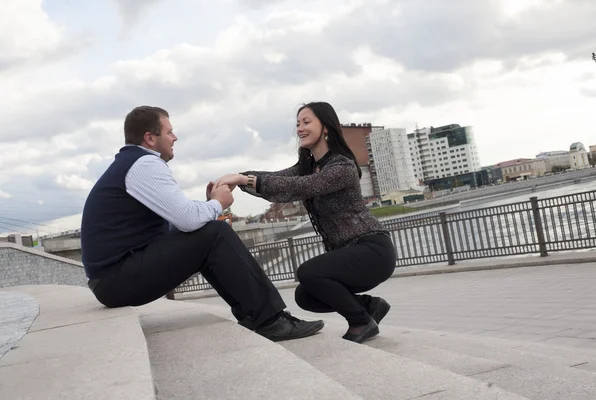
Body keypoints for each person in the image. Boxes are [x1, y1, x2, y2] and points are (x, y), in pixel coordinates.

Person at [80, 105, 324, 342]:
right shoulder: (145, 164)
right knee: (216, 232)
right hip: (116, 280)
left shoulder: (132, 164)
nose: (175, 137)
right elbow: (188, 220)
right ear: (150, 138)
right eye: (169, 132)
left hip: (114, 279)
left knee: (209, 231)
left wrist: (207, 205)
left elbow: (180, 223)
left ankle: (256, 315)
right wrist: (218, 204)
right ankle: (270, 320)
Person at [214, 102, 396, 344]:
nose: (300, 128)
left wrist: (240, 178)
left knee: (308, 272)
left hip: (372, 251)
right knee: (305, 296)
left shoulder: (342, 166)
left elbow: (298, 187)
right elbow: (277, 178)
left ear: (326, 128)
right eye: (298, 123)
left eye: (306, 122)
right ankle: (368, 307)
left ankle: (361, 322)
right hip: (349, 251)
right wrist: (236, 180)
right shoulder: (309, 166)